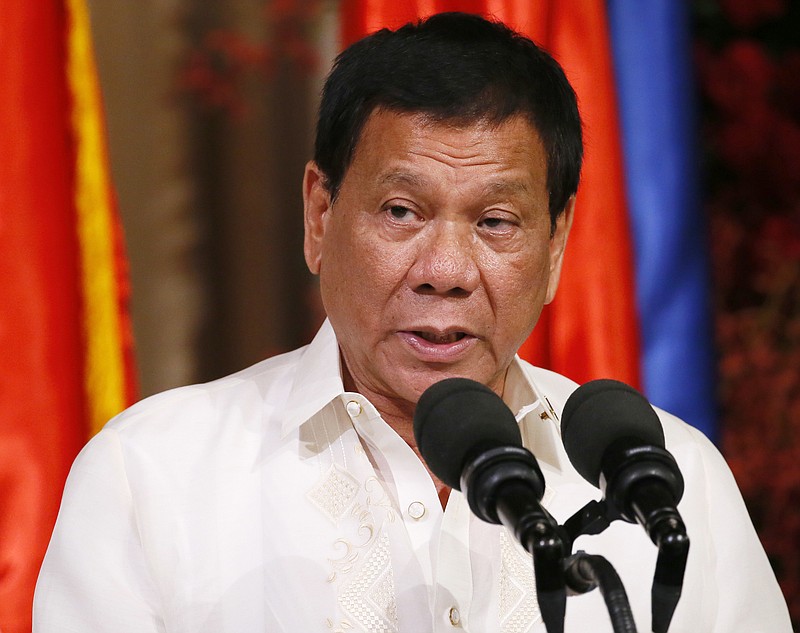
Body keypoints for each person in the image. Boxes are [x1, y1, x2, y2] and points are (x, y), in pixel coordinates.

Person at [33, 12, 791, 633]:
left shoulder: (667, 486)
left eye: (496, 221)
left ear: (557, 246)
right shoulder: (151, 477)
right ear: (319, 214)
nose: (447, 269)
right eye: (402, 211)